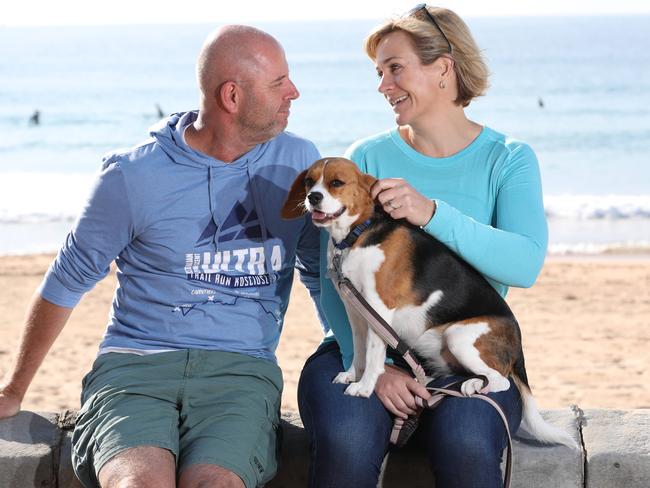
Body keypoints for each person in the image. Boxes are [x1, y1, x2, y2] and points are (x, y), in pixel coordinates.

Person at [0, 25, 326, 488]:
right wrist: (14, 390)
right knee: (137, 483)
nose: (294, 92)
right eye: (279, 83)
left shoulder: (300, 161)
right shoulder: (132, 176)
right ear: (232, 97)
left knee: (215, 483)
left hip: (240, 372)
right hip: (135, 368)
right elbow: (67, 279)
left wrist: (353, 360)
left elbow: (320, 271)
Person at [298, 5, 548, 488]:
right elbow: (332, 275)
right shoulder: (364, 156)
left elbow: (524, 263)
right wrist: (377, 368)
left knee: (468, 445)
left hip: (458, 354)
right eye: (379, 72)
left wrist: (432, 214)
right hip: (360, 349)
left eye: (395, 68)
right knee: (346, 443)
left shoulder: (509, 159)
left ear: (443, 69)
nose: (383, 85)